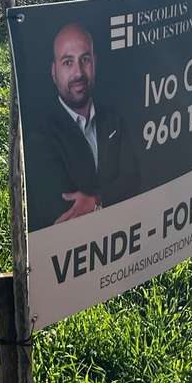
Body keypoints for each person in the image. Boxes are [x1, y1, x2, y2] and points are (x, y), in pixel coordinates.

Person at [27, 22, 140, 230]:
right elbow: (62, 211)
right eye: (68, 62)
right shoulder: (39, 136)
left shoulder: (114, 118)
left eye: (85, 59)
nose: (78, 73)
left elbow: (134, 180)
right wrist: (112, 195)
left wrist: (95, 200)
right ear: (54, 72)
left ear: (94, 63)